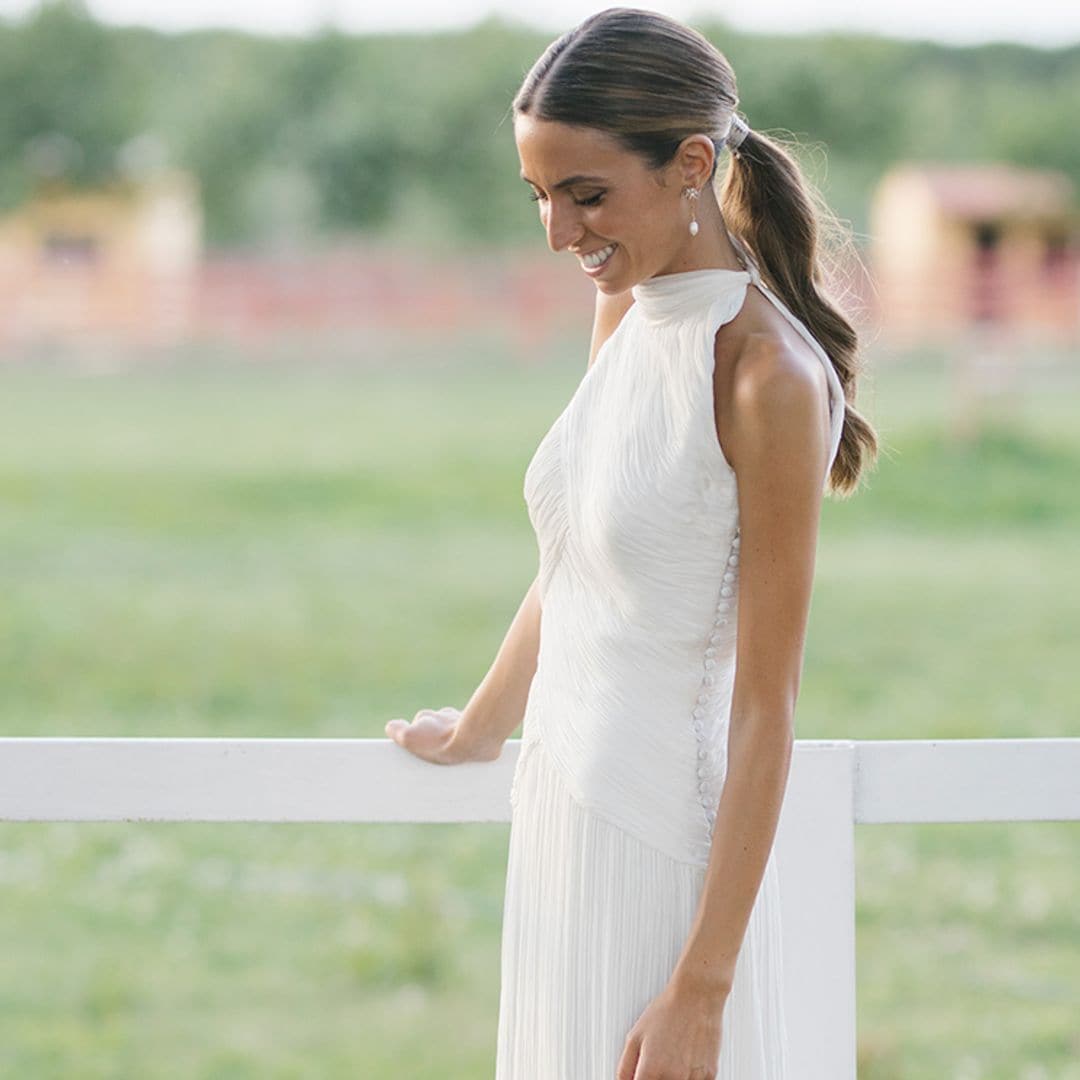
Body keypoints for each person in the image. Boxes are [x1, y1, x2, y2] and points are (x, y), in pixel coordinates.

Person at [385, 7, 879, 1078]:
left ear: (691, 163)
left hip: (668, 855)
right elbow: (576, 565)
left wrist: (702, 986)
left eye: (586, 195)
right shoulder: (630, 307)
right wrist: (478, 730)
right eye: (540, 198)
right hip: (562, 816)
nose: (560, 234)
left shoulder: (765, 378)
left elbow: (766, 705)